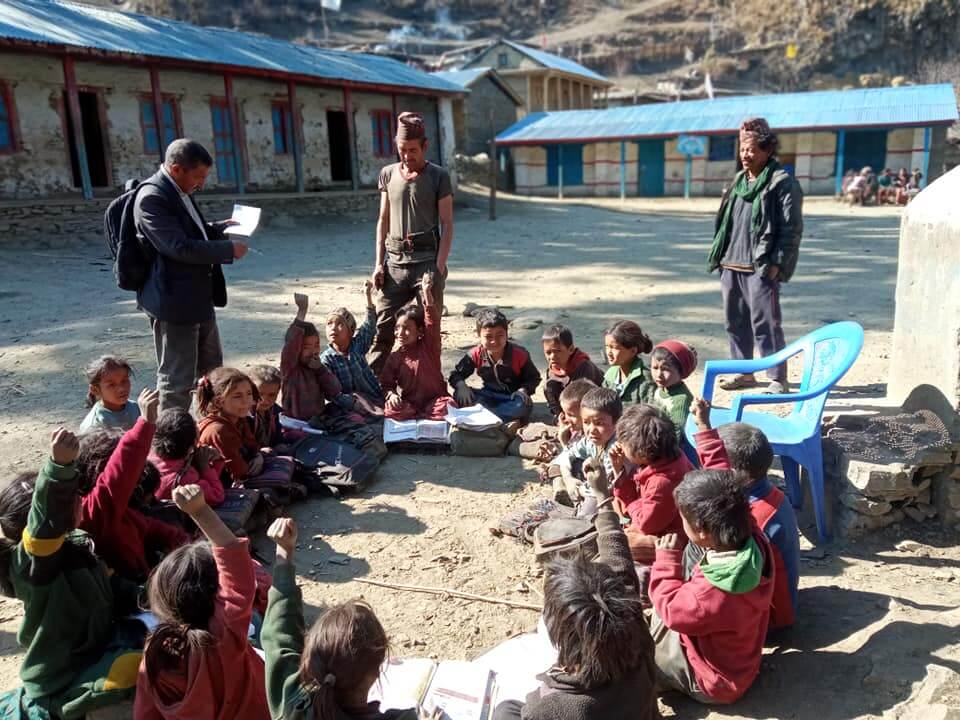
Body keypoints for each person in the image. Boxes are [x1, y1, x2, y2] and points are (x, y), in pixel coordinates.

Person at [492, 459, 658, 720]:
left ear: (562, 641)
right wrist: (603, 496)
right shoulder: (634, 627)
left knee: (504, 710)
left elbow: (619, 562)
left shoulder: (553, 709)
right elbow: (618, 556)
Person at [0, 429, 146, 719]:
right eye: (70, 499)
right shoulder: (35, 565)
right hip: (65, 672)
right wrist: (57, 468)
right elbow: (45, 524)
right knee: (135, 670)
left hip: (99, 643)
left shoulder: (78, 544)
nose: (80, 499)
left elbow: (112, 584)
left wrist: (151, 598)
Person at [262, 517, 420, 720]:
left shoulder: (292, 703)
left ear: (311, 661)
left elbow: (279, 636)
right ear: (377, 671)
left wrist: (284, 552)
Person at [134, 484, 270, 719]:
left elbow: (145, 714)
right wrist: (200, 511)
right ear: (216, 592)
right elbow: (237, 573)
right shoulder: (223, 635)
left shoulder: (156, 652)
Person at [135, 138, 248, 413]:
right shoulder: (152, 198)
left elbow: (189, 231)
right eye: (198, 176)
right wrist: (227, 249)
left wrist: (219, 228)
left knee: (213, 373)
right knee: (178, 379)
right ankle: (172, 445)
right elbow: (177, 246)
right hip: (173, 303)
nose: (201, 183)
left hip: (198, 298)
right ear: (176, 169)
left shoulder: (178, 191)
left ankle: (215, 430)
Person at [648, 470, 775, 704]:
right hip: (742, 664)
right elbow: (727, 486)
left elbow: (671, 611)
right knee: (692, 554)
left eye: (682, 519)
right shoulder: (754, 537)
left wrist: (666, 560)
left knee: (642, 658)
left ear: (702, 530)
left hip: (714, 684)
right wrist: (706, 437)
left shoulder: (706, 594)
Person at [708, 117, 803, 395]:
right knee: (734, 323)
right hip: (730, 263)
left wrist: (777, 263)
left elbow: (791, 229)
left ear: (766, 150)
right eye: (742, 149)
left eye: (751, 149)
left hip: (760, 266)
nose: (745, 155)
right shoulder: (739, 181)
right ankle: (744, 372)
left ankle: (777, 377)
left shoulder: (781, 182)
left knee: (766, 323)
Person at [688, 398, 800, 629]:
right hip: (775, 598)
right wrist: (703, 425)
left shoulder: (752, 517)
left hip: (769, 620)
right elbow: (718, 467)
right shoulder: (772, 497)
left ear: (738, 477)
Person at [369, 111, 454, 376]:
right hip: (394, 264)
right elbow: (383, 220)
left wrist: (438, 268)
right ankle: (374, 385)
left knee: (429, 328)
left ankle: (429, 384)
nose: (407, 156)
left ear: (425, 146)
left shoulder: (438, 176)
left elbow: (447, 224)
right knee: (382, 326)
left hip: (426, 262)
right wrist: (378, 264)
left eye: (413, 150)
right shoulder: (387, 174)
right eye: (402, 150)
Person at [77, 389, 190, 582]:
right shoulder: (94, 512)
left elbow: (153, 528)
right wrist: (146, 423)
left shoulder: (124, 512)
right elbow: (121, 470)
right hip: (125, 597)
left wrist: (190, 547)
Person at [610, 404, 693, 571]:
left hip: (674, 537)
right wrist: (619, 470)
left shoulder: (662, 482)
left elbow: (647, 525)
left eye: (623, 442)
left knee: (619, 544)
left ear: (642, 454)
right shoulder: (668, 455)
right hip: (653, 516)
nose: (619, 444)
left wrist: (629, 499)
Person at [379, 271, 456, 421]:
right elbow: (386, 384)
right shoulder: (395, 357)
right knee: (391, 410)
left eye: (407, 328)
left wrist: (427, 292)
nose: (400, 332)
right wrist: (392, 395)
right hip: (410, 405)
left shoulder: (429, 345)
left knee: (448, 406)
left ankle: (426, 414)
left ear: (420, 331)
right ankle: (420, 414)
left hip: (436, 401)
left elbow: (432, 321)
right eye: (397, 328)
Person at [448, 308, 542, 423]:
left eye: (499, 335)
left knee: (522, 406)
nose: (494, 341)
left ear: (507, 334)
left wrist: (523, 390)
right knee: (459, 395)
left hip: (512, 397)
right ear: (479, 336)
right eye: (488, 337)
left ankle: (485, 417)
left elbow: (534, 378)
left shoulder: (519, 354)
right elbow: (456, 374)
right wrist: (461, 386)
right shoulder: (475, 354)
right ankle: (502, 418)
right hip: (487, 394)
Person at [320, 283, 386, 422]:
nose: (333, 328)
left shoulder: (357, 346)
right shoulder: (326, 360)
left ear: (351, 331)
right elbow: (332, 393)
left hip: (373, 398)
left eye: (340, 324)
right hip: (348, 405)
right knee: (353, 420)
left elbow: (369, 325)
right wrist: (352, 404)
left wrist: (368, 296)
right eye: (329, 324)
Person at [554, 387, 622, 516]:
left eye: (599, 423)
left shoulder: (616, 448)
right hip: (592, 487)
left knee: (586, 516)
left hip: (609, 494)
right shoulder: (590, 440)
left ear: (617, 422)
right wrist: (569, 480)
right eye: (586, 422)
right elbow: (566, 455)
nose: (591, 430)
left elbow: (604, 488)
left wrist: (579, 490)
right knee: (571, 464)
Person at [195, 367, 267, 483]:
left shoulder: (238, 417)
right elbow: (239, 471)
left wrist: (259, 455)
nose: (246, 401)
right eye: (237, 396)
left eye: (249, 394)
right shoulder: (219, 430)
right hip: (218, 484)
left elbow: (252, 445)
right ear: (219, 402)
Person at [281, 295, 344, 425]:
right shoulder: (290, 368)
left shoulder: (318, 368)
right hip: (296, 424)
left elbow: (335, 390)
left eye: (316, 345)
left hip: (318, 421)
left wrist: (320, 370)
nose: (313, 351)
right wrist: (302, 311)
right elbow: (291, 343)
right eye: (306, 347)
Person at [149, 407, 226, 506]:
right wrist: (205, 466)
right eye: (195, 426)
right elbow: (217, 495)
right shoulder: (185, 479)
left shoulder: (148, 457)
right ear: (191, 446)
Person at [541, 324, 604, 421]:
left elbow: (586, 399)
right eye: (548, 352)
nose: (552, 357)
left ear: (570, 349)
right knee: (549, 386)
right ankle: (561, 418)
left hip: (593, 406)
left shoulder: (583, 366)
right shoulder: (552, 370)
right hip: (569, 407)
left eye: (558, 351)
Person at [641, 340, 697, 443]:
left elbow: (677, 433)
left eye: (665, 369)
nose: (659, 374)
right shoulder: (660, 389)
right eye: (655, 368)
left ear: (681, 372)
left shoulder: (680, 400)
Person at [79, 355, 141, 434]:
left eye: (124, 381)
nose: (121, 389)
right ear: (95, 390)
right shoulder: (95, 424)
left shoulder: (135, 408)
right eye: (111, 385)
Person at [601, 320, 653, 404]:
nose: (609, 353)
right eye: (607, 346)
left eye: (614, 347)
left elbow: (650, 412)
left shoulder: (646, 380)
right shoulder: (610, 375)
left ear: (633, 351)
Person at [248, 364, 286, 448]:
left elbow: (277, 433)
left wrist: (279, 444)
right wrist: (260, 451)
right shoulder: (246, 416)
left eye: (271, 395)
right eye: (259, 394)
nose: (264, 400)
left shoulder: (274, 410)